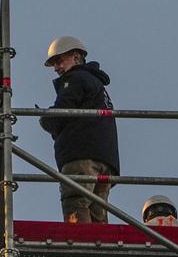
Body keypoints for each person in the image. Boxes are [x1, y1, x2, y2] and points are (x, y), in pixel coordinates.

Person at [38, 35, 120, 224]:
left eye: (59, 60)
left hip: (81, 156)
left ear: (75, 57)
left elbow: (62, 111)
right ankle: (97, 243)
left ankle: (77, 241)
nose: (57, 68)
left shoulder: (75, 78)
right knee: (98, 213)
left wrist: (46, 119)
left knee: (75, 203)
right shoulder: (96, 85)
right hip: (105, 160)